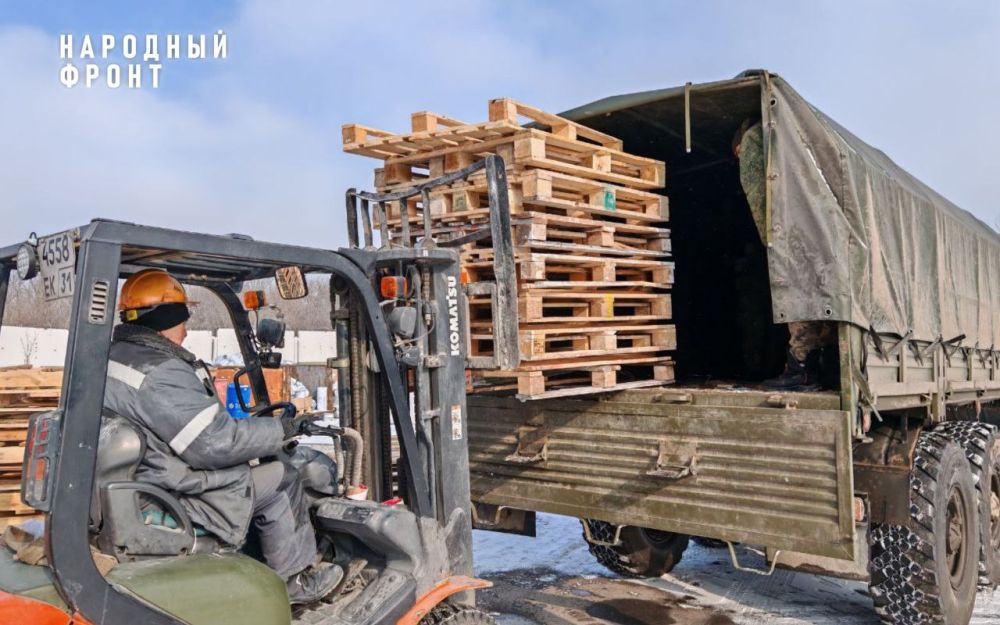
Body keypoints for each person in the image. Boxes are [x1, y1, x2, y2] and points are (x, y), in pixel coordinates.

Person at [101, 268, 342, 605]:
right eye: (183, 319)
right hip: (174, 489)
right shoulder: (162, 371)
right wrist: (283, 429)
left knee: (262, 464)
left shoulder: (116, 358)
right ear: (167, 319)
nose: (186, 332)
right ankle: (295, 581)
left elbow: (189, 429)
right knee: (283, 475)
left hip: (148, 477)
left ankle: (262, 563)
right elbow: (215, 444)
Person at [734, 120, 834, 390]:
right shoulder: (799, 145)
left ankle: (802, 369)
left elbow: (759, 202)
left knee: (798, 299)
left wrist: (772, 243)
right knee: (819, 302)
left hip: (790, 240)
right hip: (818, 241)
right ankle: (818, 368)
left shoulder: (755, 141)